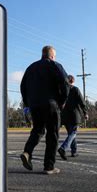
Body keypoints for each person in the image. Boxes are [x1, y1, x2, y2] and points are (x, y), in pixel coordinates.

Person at [20, 45, 69, 174]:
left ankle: (27, 152)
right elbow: (65, 82)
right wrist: (62, 101)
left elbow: (23, 86)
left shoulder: (30, 68)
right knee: (52, 134)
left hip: (34, 105)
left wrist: (27, 103)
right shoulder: (55, 65)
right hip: (51, 104)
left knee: (37, 130)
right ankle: (49, 166)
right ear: (52, 56)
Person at [58, 75, 88, 159]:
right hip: (74, 115)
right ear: (73, 81)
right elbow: (82, 102)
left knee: (71, 134)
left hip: (65, 116)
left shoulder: (62, 90)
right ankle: (63, 148)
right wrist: (85, 113)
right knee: (73, 133)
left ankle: (74, 151)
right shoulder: (75, 89)